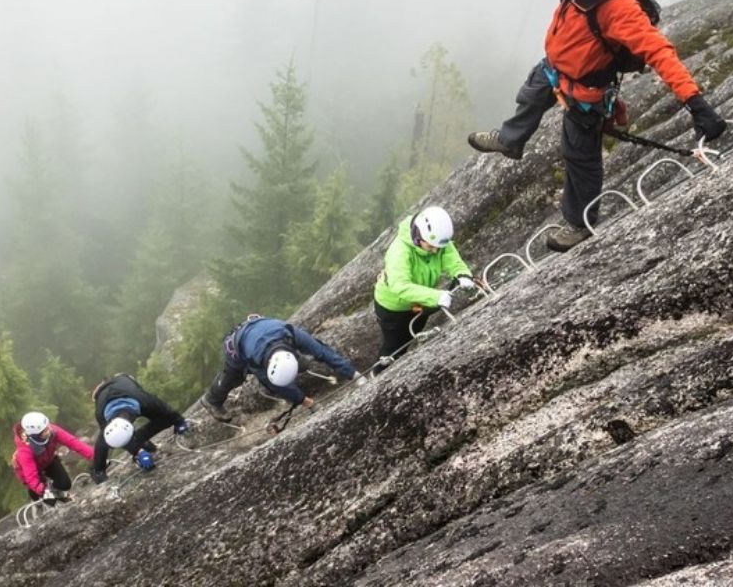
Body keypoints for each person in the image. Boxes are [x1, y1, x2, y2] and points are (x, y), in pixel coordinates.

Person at [458, 0, 727, 250]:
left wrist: (697, 105)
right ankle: (510, 140)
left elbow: (659, 53)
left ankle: (579, 223)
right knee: (531, 95)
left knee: (579, 156)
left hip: (586, 90)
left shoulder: (617, 7)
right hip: (555, 68)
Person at [370, 206, 475, 373]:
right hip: (392, 307)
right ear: (418, 236)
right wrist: (435, 296)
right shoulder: (400, 251)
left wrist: (463, 274)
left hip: (421, 300)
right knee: (395, 346)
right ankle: (379, 374)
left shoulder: (437, 242)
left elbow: (451, 259)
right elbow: (399, 285)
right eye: (431, 247)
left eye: (438, 248)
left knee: (411, 336)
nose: (435, 251)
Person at [202, 314, 358, 421]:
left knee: (314, 350)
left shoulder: (290, 333)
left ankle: (303, 363)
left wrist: (355, 375)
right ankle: (212, 400)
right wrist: (309, 403)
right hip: (238, 344)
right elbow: (281, 387)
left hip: (266, 328)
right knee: (233, 376)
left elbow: (323, 352)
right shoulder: (257, 364)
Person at [87, 374, 189, 482]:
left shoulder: (143, 399)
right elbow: (108, 440)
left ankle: (139, 438)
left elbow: (164, 409)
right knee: (108, 437)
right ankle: (139, 440)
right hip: (108, 396)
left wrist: (180, 422)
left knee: (164, 418)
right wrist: (138, 451)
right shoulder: (101, 415)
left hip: (127, 386)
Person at [10, 411, 94, 506]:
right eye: (44, 431)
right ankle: (35, 495)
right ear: (35, 435)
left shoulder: (52, 430)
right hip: (29, 472)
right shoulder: (25, 450)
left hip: (48, 460)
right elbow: (31, 476)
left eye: (48, 427)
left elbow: (73, 442)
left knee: (65, 484)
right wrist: (42, 490)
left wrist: (94, 456)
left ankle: (59, 494)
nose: (48, 431)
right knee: (50, 500)